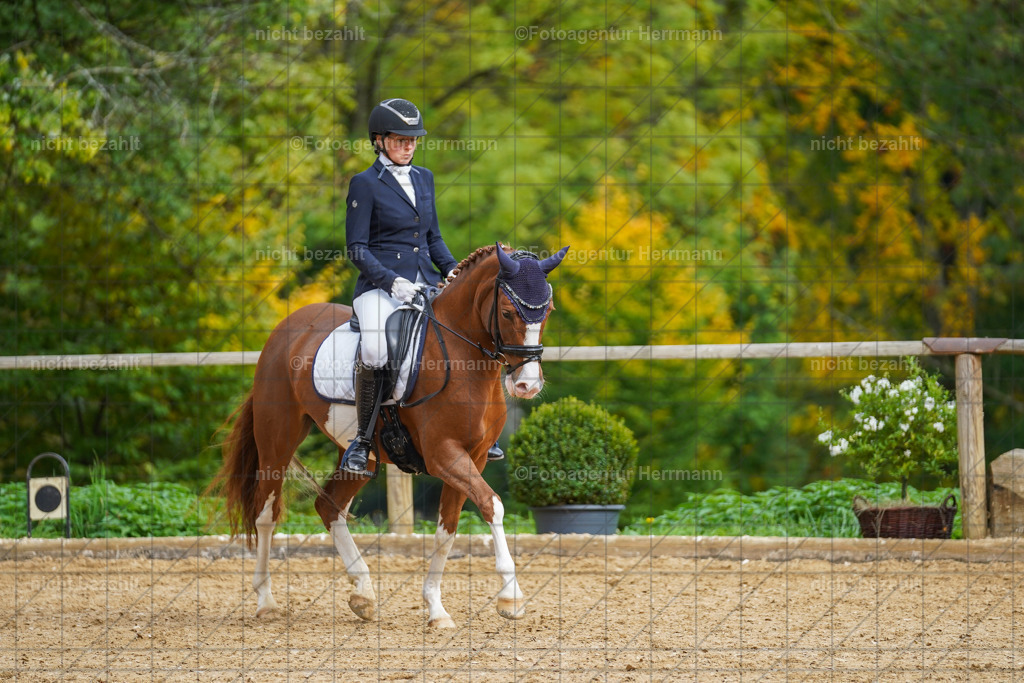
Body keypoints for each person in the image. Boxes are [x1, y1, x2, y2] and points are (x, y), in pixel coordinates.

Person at [342, 98, 504, 476]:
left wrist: (453, 271)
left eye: (413, 140)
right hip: (380, 286)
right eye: (400, 140)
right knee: (376, 347)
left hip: (425, 282)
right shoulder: (364, 184)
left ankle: (485, 431)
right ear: (379, 141)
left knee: (470, 333)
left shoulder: (423, 178)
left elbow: (433, 238)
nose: (408, 147)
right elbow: (357, 248)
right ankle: (363, 440)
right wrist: (392, 282)